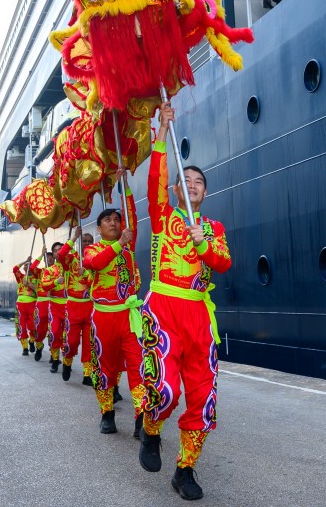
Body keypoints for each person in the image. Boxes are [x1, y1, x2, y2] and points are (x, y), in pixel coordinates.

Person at [138, 103, 231, 501]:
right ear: (176, 190)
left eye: (198, 182)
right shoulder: (163, 216)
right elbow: (154, 181)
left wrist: (204, 243)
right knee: (165, 390)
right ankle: (152, 428)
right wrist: (162, 131)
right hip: (163, 310)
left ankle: (185, 469)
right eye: (185, 180)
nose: (191, 184)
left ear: (205, 192)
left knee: (204, 397)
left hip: (198, 315)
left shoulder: (212, 227)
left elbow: (223, 263)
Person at [78, 190, 145, 436]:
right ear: (99, 228)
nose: (114, 223)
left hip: (129, 317)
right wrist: (119, 244)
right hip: (104, 317)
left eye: (117, 220)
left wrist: (125, 188)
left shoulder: (128, 246)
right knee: (105, 368)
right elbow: (96, 265)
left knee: (139, 366)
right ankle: (107, 412)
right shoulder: (92, 251)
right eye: (108, 220)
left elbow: (132, 216)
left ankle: (141, 418)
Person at [57, 230, 105, 388]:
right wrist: (73, 238)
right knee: (71, 340)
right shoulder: (72, 259)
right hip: (73, 305)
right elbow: (60, 255)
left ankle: (87, 374)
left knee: (89, 342)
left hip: (90, 305)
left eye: (89, 241)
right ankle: (67, 362)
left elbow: (99, 283)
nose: (86, 243)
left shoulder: (97, 261)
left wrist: (86, 275)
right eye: (84, 240)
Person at [30, 242, 68, 374]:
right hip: (45, 303)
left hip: (66, 305)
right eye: (52, 254)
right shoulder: (44, 271)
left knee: (63, 334)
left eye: (60, 250)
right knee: (42, 329)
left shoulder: (70, 266)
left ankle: (59, 359)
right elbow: (31, 268)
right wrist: (41, 255)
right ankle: (39, 346)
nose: (52, 258)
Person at [13, 258, 38, 356]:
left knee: (33, 325)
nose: (26, 267)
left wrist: (30, 285)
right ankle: (25, 347)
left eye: (28, 265)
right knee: (21, 326)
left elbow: (39, 291)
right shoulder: (21, 277)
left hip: (32, 303)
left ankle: (32, 341)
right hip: (20, 305)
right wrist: (24, 261)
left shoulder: (37, 278)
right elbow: (15, 269)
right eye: (25, 265)